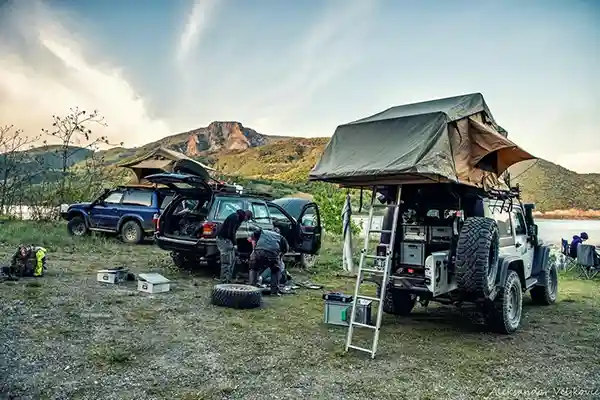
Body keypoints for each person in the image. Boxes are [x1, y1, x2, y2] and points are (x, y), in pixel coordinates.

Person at [248, 227, 289, 296]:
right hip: (272, 254)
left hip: (258, 251)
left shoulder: (263, 231)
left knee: (254, 268)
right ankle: (274, 292)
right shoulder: (281, 237)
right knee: (275, 270)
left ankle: (252, 289)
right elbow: (285, 250)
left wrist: (254, 249)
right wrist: (279, 258)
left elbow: (252, 237)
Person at [215, 209, 253, 283]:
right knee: (226, 262)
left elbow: (233, 232)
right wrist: (235, 244)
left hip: (227, 240)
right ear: (246, 216)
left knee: (232, 261)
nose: (246, 221)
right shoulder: (235, 217)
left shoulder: (238, 218)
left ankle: (228, 280)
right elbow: (231, 232)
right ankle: (223, 281)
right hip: (224, 240)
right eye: (247, 218)